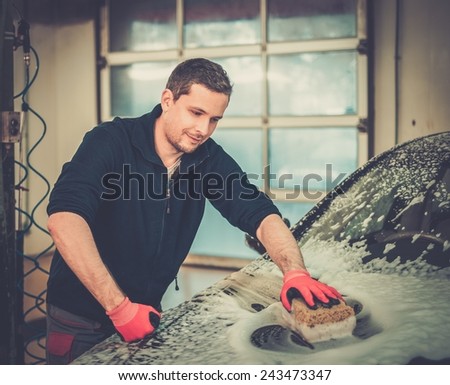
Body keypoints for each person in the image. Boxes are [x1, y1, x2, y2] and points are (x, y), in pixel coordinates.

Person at [45, 58, 342, 364]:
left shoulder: (207, 159)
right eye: (196, 113)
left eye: (214, 119)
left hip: (147, 314)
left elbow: (261, 215)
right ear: (167, 100)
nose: (203, 130)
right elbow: (65, 220)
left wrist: (294, 272)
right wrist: (118, 308)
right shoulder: (110, 141)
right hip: (82, 318)